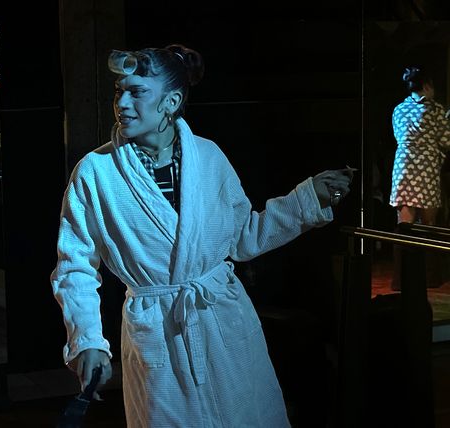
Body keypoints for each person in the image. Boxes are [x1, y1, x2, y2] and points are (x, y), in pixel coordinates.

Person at [50, 44, 354, 427]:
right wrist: (87, 340)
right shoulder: (96, 173)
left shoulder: (208, 157)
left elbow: (243, 238)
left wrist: (305, 201)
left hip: (222, 319)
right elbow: (74, 267)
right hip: (157, 329)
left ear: (171, 101)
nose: (122, 103)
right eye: (119, 92)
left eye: (137, 92)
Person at [390, 66, 450, 225]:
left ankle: (400, 241)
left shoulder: (399, 109)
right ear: (427, 86)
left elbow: (399, 135)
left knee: (404, 223)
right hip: (426, 167)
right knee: (428, 223)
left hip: (403, 166)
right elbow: (446, 140)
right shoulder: (435, 109)